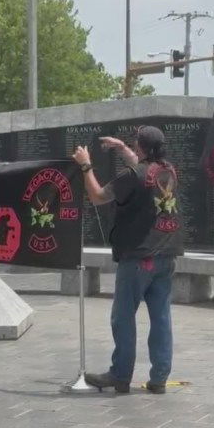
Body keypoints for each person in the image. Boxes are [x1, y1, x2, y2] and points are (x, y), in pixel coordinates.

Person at [72, 126, 183, 394]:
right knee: (161, 318)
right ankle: (159, 378)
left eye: (135, 145)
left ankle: (120, 375)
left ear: (141, 147)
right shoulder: (167, 170)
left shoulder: (134, 176)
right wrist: (122, 148)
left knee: (123, 317)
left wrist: (86, 167)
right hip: (166, 254)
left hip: (138, 257)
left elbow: (98, 197)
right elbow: (144, 171)